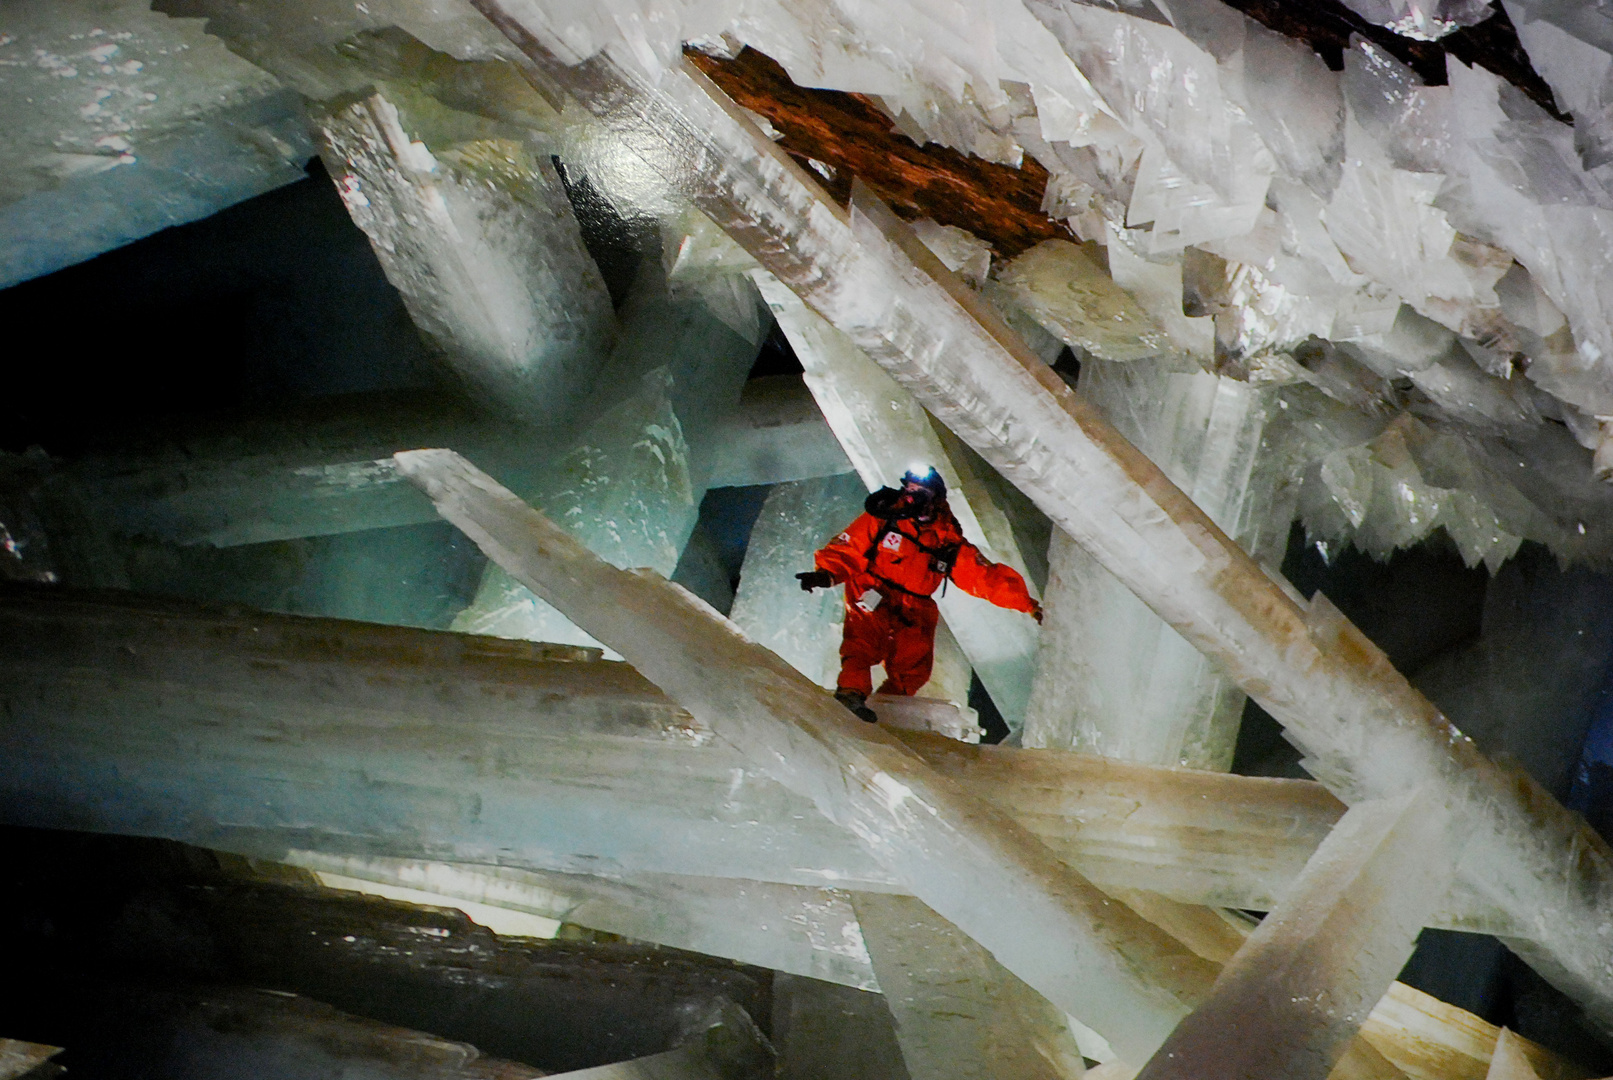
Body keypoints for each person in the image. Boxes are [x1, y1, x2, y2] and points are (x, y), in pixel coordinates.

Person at [795, 465, 1042, 723]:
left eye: (920, 492)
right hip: (873, 591)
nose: (913, 497)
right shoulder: (883, 518)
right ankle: (850, 696)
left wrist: (1028, 605)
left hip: (914, 607)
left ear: (935, 498)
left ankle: (888, 712)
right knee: (861, 646)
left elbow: (984, 577)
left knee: (912, 669)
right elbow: (851, 547)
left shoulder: (946, 540)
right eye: (910, 490)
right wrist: (825, 574)